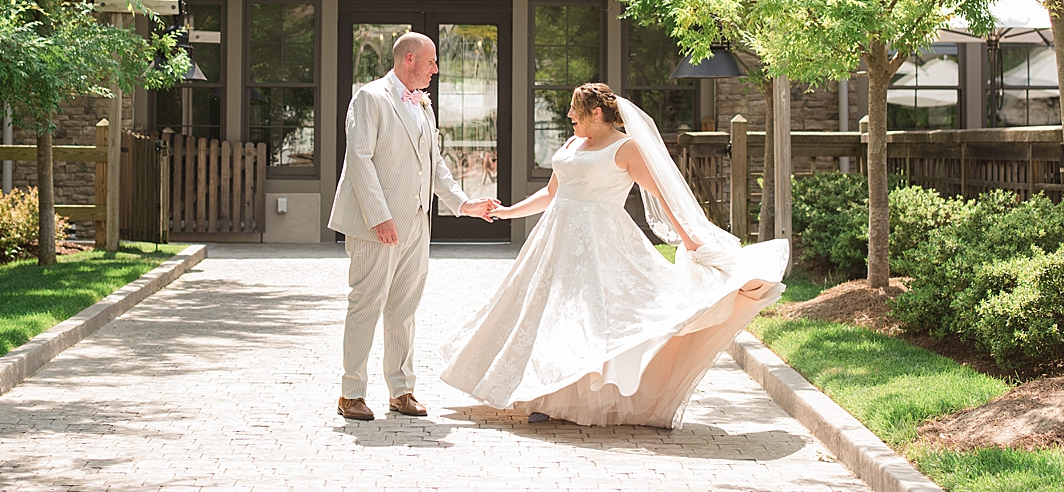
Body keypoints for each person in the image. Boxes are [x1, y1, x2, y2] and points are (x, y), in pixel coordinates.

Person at [440, 82, 789, 428]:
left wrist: (690, 240)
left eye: (574, 111)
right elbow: (552, 194)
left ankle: (560, 395)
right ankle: (542, 395)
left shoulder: (626, 148)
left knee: (589, 318)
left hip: (601, 242)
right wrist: (506, 212)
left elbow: (664, 197)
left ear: (595, 113)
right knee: (547, 313)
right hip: (554, 241)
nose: (568, 117)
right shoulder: (573, 142)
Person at [328, 31, 500, 421]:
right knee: (366, 305)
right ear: (409, 59)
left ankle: (401, 390)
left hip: (417, 225)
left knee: (404, 310)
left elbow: (434, 165)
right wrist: (380, 217)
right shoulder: (371, 97)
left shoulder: (424, 106)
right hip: (377, 226)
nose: (436, 70)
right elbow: (359, 159)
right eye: (431, 62)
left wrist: (463, 203)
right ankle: (350, 393)